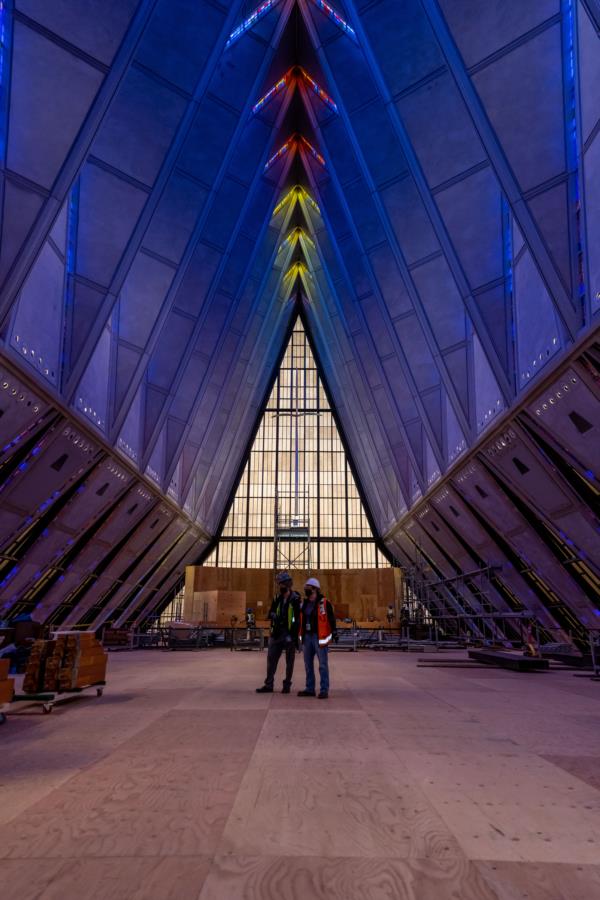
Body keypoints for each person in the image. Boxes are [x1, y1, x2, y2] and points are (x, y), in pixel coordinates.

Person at [256, 572, 300, 694]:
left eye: (281, 583)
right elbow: (270, 613)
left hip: (289, 634)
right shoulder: (277, 598)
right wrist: (274, 615)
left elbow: (296, 619)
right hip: (276, 633)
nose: (279, 586)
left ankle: (287, 685)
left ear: (287, 584)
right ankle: (269, 685)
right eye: (279, 584)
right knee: (271, 660)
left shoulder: (295, 599)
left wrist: (293, 636)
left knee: (289, 662)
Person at [298, 577, 338, 700]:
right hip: (307, 638)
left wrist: (334, 632)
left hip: (319, 637)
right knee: (308, 665)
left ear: (315, 589)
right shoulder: (304, 604)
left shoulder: (324, 603)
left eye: (308, 588)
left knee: (323, 665)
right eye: (306, 588)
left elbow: (331, 619)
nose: (306, 590)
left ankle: (324, 689)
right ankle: (310, 689)